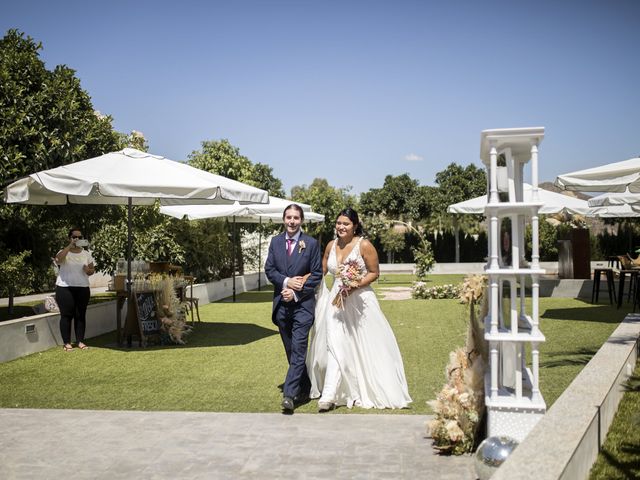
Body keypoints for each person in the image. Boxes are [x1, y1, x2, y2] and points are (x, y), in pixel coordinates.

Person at [307, 208, 412, 411]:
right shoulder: (331, 245)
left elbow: (374, 272)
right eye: (338, 223)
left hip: (360, 302)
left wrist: (354, 285)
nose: (341, 227)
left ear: (355, 225)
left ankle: (359, 387)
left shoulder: (364, 245)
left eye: (346, 223)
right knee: (334, 344)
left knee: (362, 345)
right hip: (336, 301)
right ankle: (329, 394)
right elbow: (320, 271)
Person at [265, 204, 323, 412]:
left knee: (299, 348)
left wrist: (297, 292)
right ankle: (305, 385)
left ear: (301, 221)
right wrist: (288, 282)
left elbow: (316, 274)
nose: (292, 221)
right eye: (288, 217)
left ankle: (289, 395)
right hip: (281, 306)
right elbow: (269, 270)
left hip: (303, 307)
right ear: (283, 219)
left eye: (296, 218)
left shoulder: (311, 244)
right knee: (291, 351)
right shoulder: (275, 242)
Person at [54, 228, 95, 352]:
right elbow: (58, 260)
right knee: (66, 315)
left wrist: (88, 271)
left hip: (82, 288)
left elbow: (92, 270)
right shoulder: (63, 251)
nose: (77, 239)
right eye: (74, 237)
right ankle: (67, 343)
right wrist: (69, 246)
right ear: (69, 238)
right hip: (65, 288)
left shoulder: (86, 254)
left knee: (80, 315)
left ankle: (80, 341)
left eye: (79, 237)